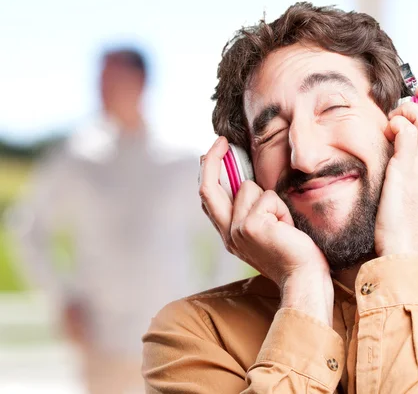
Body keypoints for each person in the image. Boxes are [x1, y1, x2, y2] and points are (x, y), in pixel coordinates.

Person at [142, 3, 418, 393]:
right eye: (272, 130)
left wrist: (403, 251)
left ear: (405, 120)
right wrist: (303, 288)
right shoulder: (193, 334)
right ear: (241, 173)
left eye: (333, 106)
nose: (304, 154)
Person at [8, 48, 246, 394]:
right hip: (102, 342)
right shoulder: (75, 158)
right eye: (99, 79)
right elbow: (27, 229)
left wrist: (213, 310)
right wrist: (61, 299)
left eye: (111, 77)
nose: (100, 88)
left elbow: (228, 236)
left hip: (177, 343)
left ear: (141, 81)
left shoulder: (182, 160)